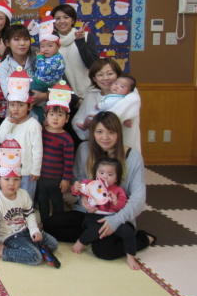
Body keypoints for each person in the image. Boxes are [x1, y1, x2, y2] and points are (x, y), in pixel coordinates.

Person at [43, 112, 154, 262]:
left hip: (117, 216)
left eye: (111, 132)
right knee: (51, 225)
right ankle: (95, 236)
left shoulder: (132, 157)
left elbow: (138, 199)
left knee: (105, 252)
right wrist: (83, 197)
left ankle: (143, 238)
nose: (105, 137)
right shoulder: (84, 149)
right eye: (99, 132)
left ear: (118, 134)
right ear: (93, 132)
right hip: (88, 214)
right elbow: (79, 181)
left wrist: (115, 221)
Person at [0, 149, 59, 266]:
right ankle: (2, 251)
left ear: (21, 178)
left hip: (26, 230)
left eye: (16, 179)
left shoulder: (23, 194)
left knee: (54, 244)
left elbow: (29, 214)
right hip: (11, 236)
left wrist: (34, 230)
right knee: (36, 258)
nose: (11, 184)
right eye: (6, 179)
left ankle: (35, 247)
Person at [70, 157, 141, 270]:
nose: (104, 176)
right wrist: (76, 188)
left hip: (113, 217)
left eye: (110, 174)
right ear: (96, 173)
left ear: (116, 178)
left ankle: (130, 256)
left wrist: (115, 202)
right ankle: (80, 243)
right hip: (94, 216)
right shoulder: (91, 184)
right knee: (94, 229)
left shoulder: (118, 190)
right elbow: (76, 191)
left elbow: (122, 205)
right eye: (101, 172)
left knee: (128, 232)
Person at [72, 58, 141, 151]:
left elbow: (115, 117)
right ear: (94, 78)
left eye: (110, 73)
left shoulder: (130, 95)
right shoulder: (91, 95)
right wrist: (88, 130)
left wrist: (96, 121)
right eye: (100, 75)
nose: (106, 78)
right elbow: (77, 120)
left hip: (124, 147)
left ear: (117, 75)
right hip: (98, 147)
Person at [0, 68, 43, 201]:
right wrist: (9, 123)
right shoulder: (8, 122)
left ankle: (26, 217)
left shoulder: (33, 124)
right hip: (10, 169)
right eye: (12, 105)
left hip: (27, 172)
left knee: (26, 198)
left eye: (21, 105)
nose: (16, 109)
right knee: (11, 197)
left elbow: (37, 149)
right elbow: (1, 139)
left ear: (29, 107)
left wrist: (35, 170)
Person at [52, 3, 98, 99]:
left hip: (89, 93)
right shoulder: (50, 42)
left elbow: (94, 65)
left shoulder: (86, 36)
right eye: (57, 18)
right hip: (65, 96)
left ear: (72, 20)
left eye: (66, 17)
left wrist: (80, 41)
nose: (62, 21)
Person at [37, 103, 74, 222]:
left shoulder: (66, 139)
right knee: (42, 200)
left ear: (67, 118)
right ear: (45, 116)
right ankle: (44, 222)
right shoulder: (40, 133)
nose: (55, 118)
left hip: (57, 179)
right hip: (41, 176)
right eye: (52, 114)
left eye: (60, 115)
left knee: (57, 201)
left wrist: (66, 179)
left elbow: (69, 161)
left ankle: (57, 223)